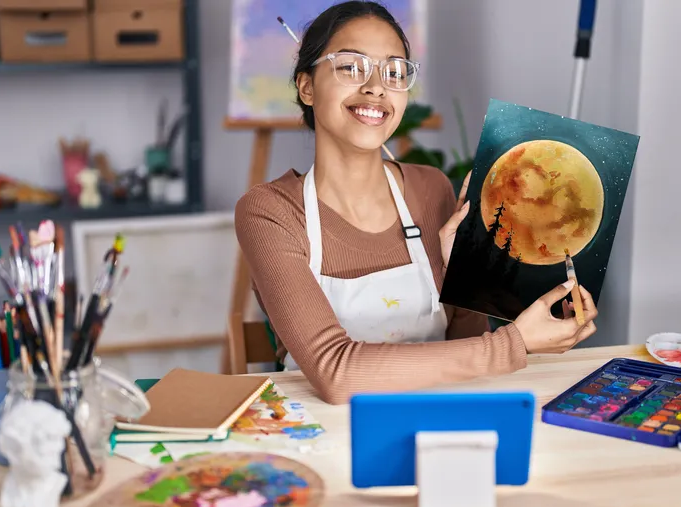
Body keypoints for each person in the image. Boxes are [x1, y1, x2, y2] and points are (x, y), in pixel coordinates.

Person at [235, 1, 598, 405]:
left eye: (394, 72)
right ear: (306, 87)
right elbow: (334, 373)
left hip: (438, 419)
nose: (376, 87)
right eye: (351, 67)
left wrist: (461, 284)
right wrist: (514, 342)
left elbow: (466, 355)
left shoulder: (431, 188)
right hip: (323, 432)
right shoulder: (270, 211)